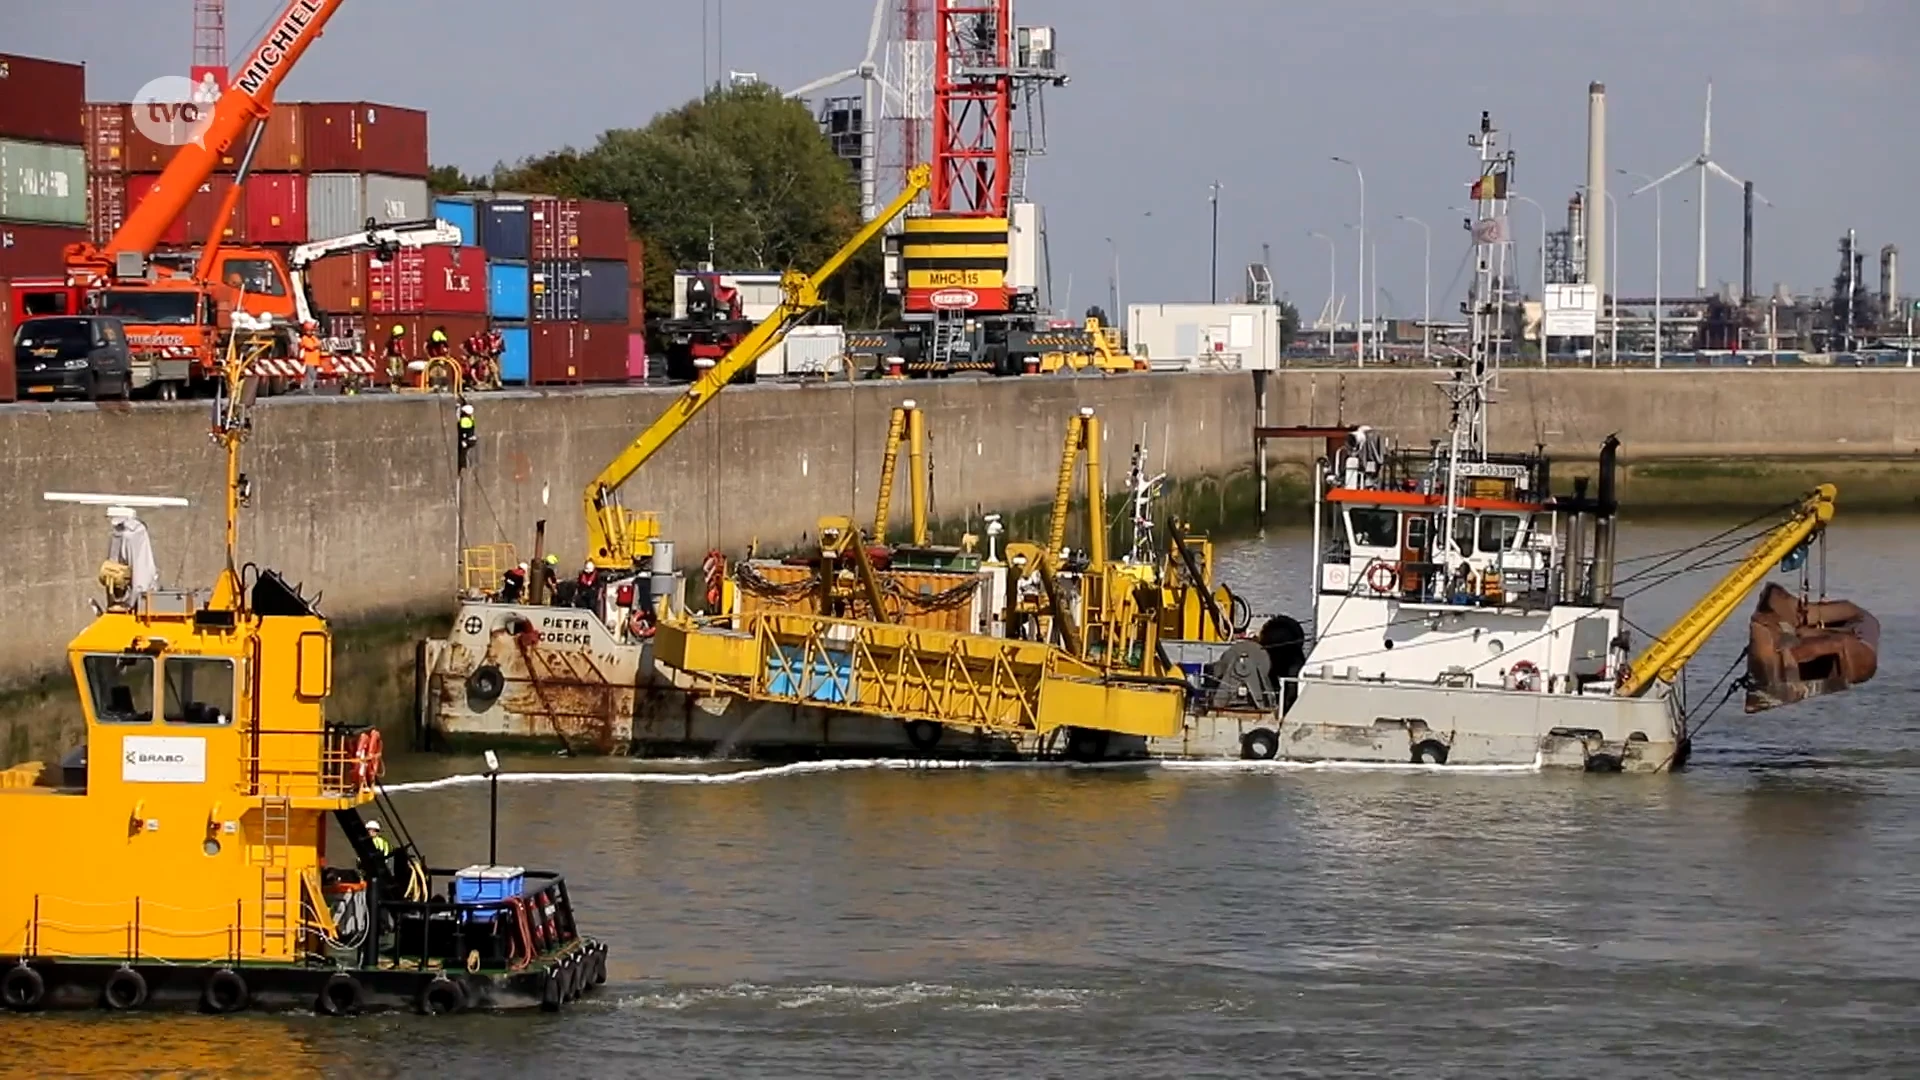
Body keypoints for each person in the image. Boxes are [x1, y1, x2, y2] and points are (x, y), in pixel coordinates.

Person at [298, 320, 324, 394]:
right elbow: (311, 347)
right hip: (309, 360)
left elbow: (319, 344)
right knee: (310, 376)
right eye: (309, 331)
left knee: (314, 376)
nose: (310, 332)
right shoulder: (304, 338)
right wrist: (316, 345)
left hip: (316, 360)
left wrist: (316, 344)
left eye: (311, 330)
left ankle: (310, 389)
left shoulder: (313, 337)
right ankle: (309, 390)